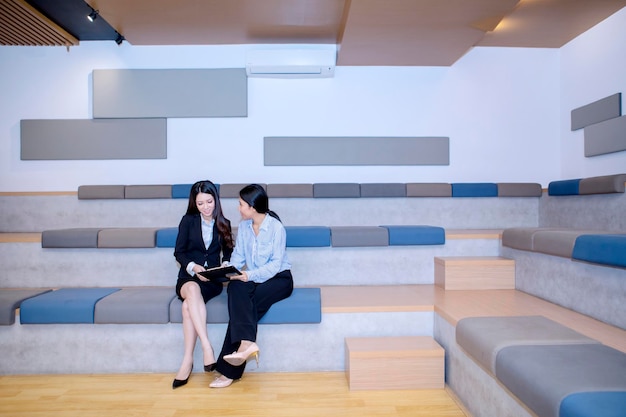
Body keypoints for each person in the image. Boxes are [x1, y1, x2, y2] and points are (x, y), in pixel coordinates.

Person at [209, 184, 294, 388]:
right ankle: (247, 344)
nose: (238, 208)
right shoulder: (245, 228)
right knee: (235, 288)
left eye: (241, 204)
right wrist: (226, 268)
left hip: (279, 279)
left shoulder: (276, 228)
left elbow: (274, 265)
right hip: (255, 277)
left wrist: (248, 275)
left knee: (248, 305)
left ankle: (229, 371)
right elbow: (238, 258)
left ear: (252, 207)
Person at [172, 180, 234, 389]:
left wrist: (222, 267)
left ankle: (187, 360)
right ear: (194, 204)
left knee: (187, 307)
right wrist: (194, 267)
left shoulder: (224, 222)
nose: (206, 207)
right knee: (191, 288)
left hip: (211, 281)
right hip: (188, 278)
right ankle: (207, 348)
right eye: (201, 204)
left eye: (209, 201)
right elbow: (179, 252)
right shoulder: (187, 221)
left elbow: (228, 254)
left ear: (216, 199)